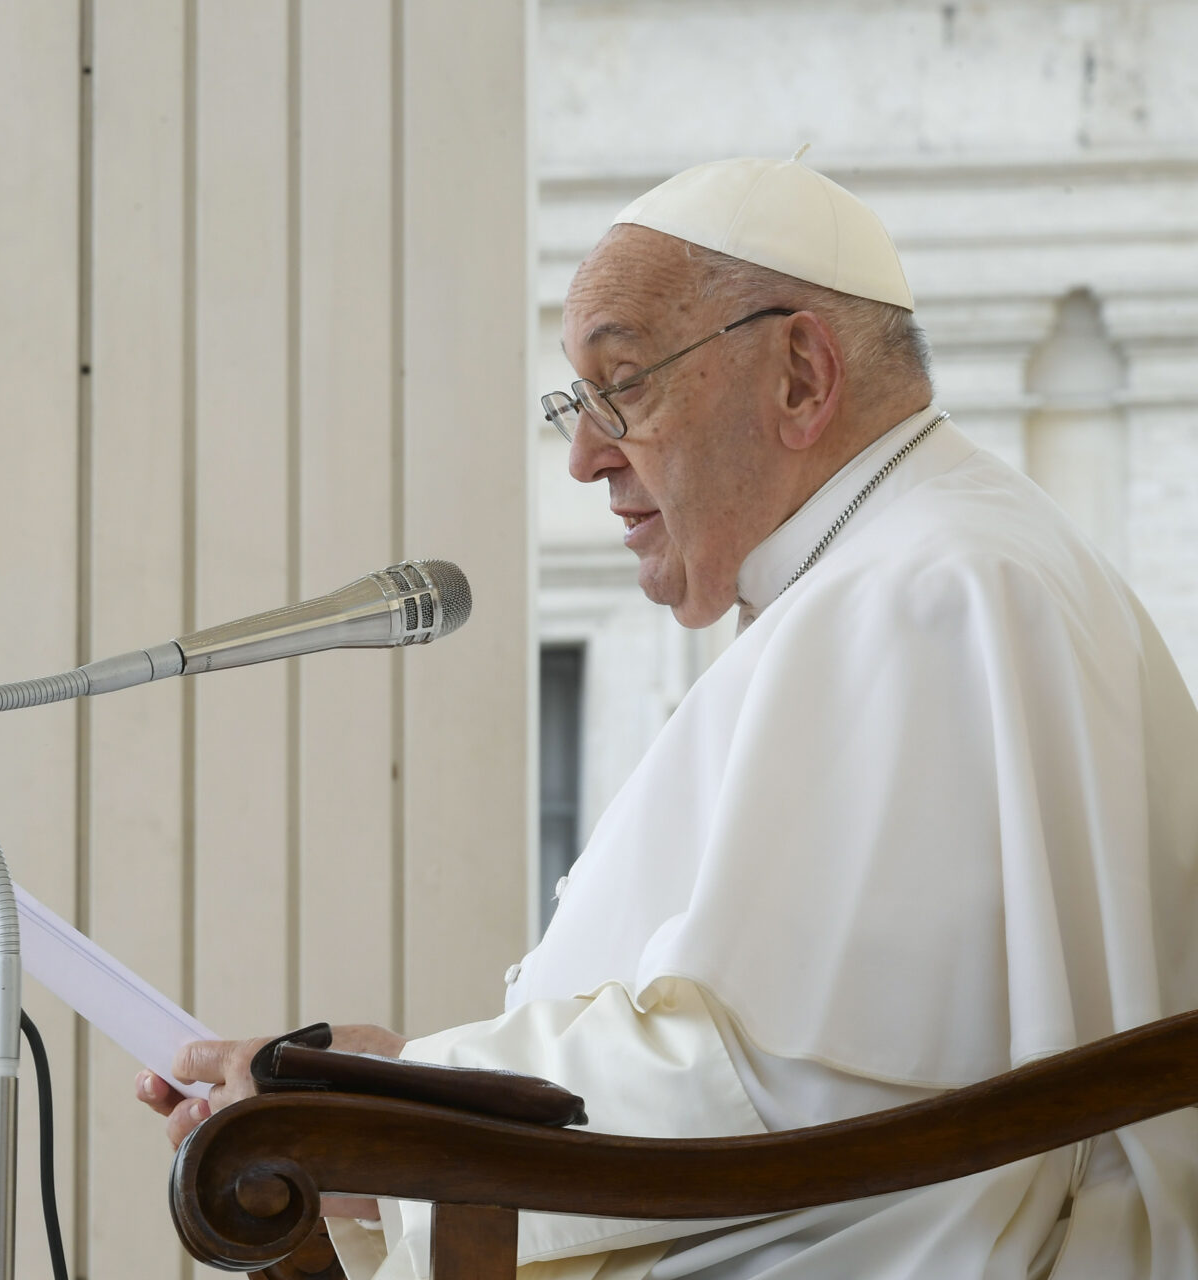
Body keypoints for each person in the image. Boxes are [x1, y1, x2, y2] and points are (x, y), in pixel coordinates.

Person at [136, 155, 1198, 1279]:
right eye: (577, 404)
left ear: (799, 374)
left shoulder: (929, 590)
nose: (588, 455)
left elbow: (774, 1082)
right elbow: (784, 1065)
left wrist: (400, 1117)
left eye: (624, 385)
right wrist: (395, 1096)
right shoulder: (900, 563)